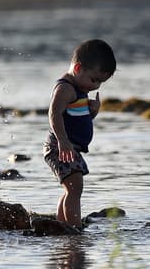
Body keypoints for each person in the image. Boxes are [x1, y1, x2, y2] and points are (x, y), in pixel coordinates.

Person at [44, 39, 116, 229]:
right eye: (94, 80)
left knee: (71, 189)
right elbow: (54, 114)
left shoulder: (80, 88)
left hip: (70, 147)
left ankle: (62, 226)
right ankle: (74, 230)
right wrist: (62, 141)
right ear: (77, 68)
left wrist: (93, 112)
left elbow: (76, 119)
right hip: (60, 147)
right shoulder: (66, 88)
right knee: (75, 188)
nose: (96, 86)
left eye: (101, 82)